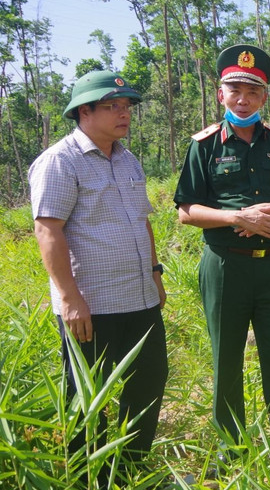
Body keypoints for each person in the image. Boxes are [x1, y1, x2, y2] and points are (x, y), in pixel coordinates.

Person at [174, 44, 270, 446]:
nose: (243, 98)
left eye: (252, 91)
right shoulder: (204, 145)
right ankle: (231, 449)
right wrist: (237, 217)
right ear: (221, 94)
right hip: (225, 266)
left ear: (264, 97)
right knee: (227, 359)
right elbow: (186, 211)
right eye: (234, 89)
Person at [29, 71, 168, 468]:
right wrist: (70, 298)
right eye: (112, 106)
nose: (123, 114)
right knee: (87, 394)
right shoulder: (60, 161)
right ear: (84, 112)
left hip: (138, 296)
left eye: (126, 107)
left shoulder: (127, 159)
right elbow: (48, 229)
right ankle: (89, 472)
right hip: (91, 305)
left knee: (149, 379)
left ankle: (130, 466)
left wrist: (155, 273)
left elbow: (142, 220)